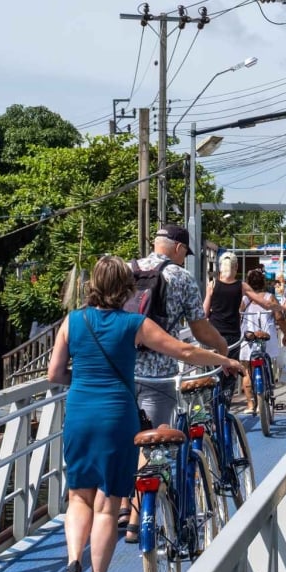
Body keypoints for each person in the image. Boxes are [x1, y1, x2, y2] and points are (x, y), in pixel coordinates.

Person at [47, 255, 242, 572]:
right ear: (126, 288)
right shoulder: (135, 323)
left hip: (78, 412)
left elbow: (55, 373)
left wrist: (84, 382)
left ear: (93, 285)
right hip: (116, 414)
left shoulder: (71, 321)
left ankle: (74, 562)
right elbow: (183, 350)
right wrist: (224, 360)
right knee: (107, 506)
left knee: (78, 498)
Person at [125, 226, 234, 538]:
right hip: (158, 371)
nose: (185, 259)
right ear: (176, 248)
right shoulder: (180, 277)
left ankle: (122, 506)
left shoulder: (127, 270)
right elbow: (199, 330)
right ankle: (137, 522)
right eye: (185, 252)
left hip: (123, 368)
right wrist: (222, 350)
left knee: (127, 439)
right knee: (153, 440)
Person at [240, 268, 286, 412]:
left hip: (248, 337)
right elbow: (279, 317)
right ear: (263, 282)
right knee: (266, 364)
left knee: (246, 371)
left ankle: (250, 404)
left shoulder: (244, 299)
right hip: (266, 338)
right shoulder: (269, 297)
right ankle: (267, 390)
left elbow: (239, 316)